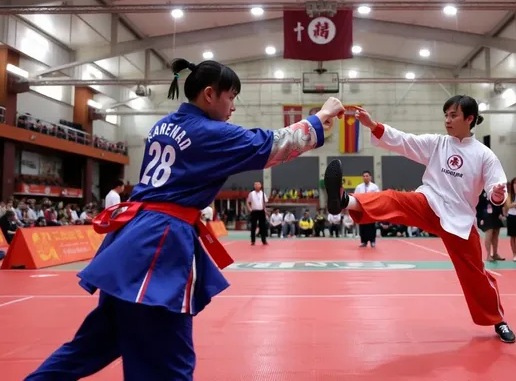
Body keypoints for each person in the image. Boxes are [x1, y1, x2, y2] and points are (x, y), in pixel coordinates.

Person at [25, 58, 344, 380]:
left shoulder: (163, 126)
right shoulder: (209, 133)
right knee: (169, 363)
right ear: (209, 94)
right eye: (230, 97)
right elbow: (269, 144)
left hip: (129, 239)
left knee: (93, 345)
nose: (233, 107)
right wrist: (319, 118)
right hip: (159, 244)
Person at [323, 95, 516, 344]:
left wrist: (498, 195)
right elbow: (404, 141)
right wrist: (373, 125)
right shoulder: (437, 144)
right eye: (445, 115)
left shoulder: (485, 155)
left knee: (475, 275)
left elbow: (495, 187)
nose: (447, 120)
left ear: (469, 119)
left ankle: (498, 320)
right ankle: (344, 200)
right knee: (394, 199)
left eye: (453, 115)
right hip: (429, 202)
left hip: (459, 219)